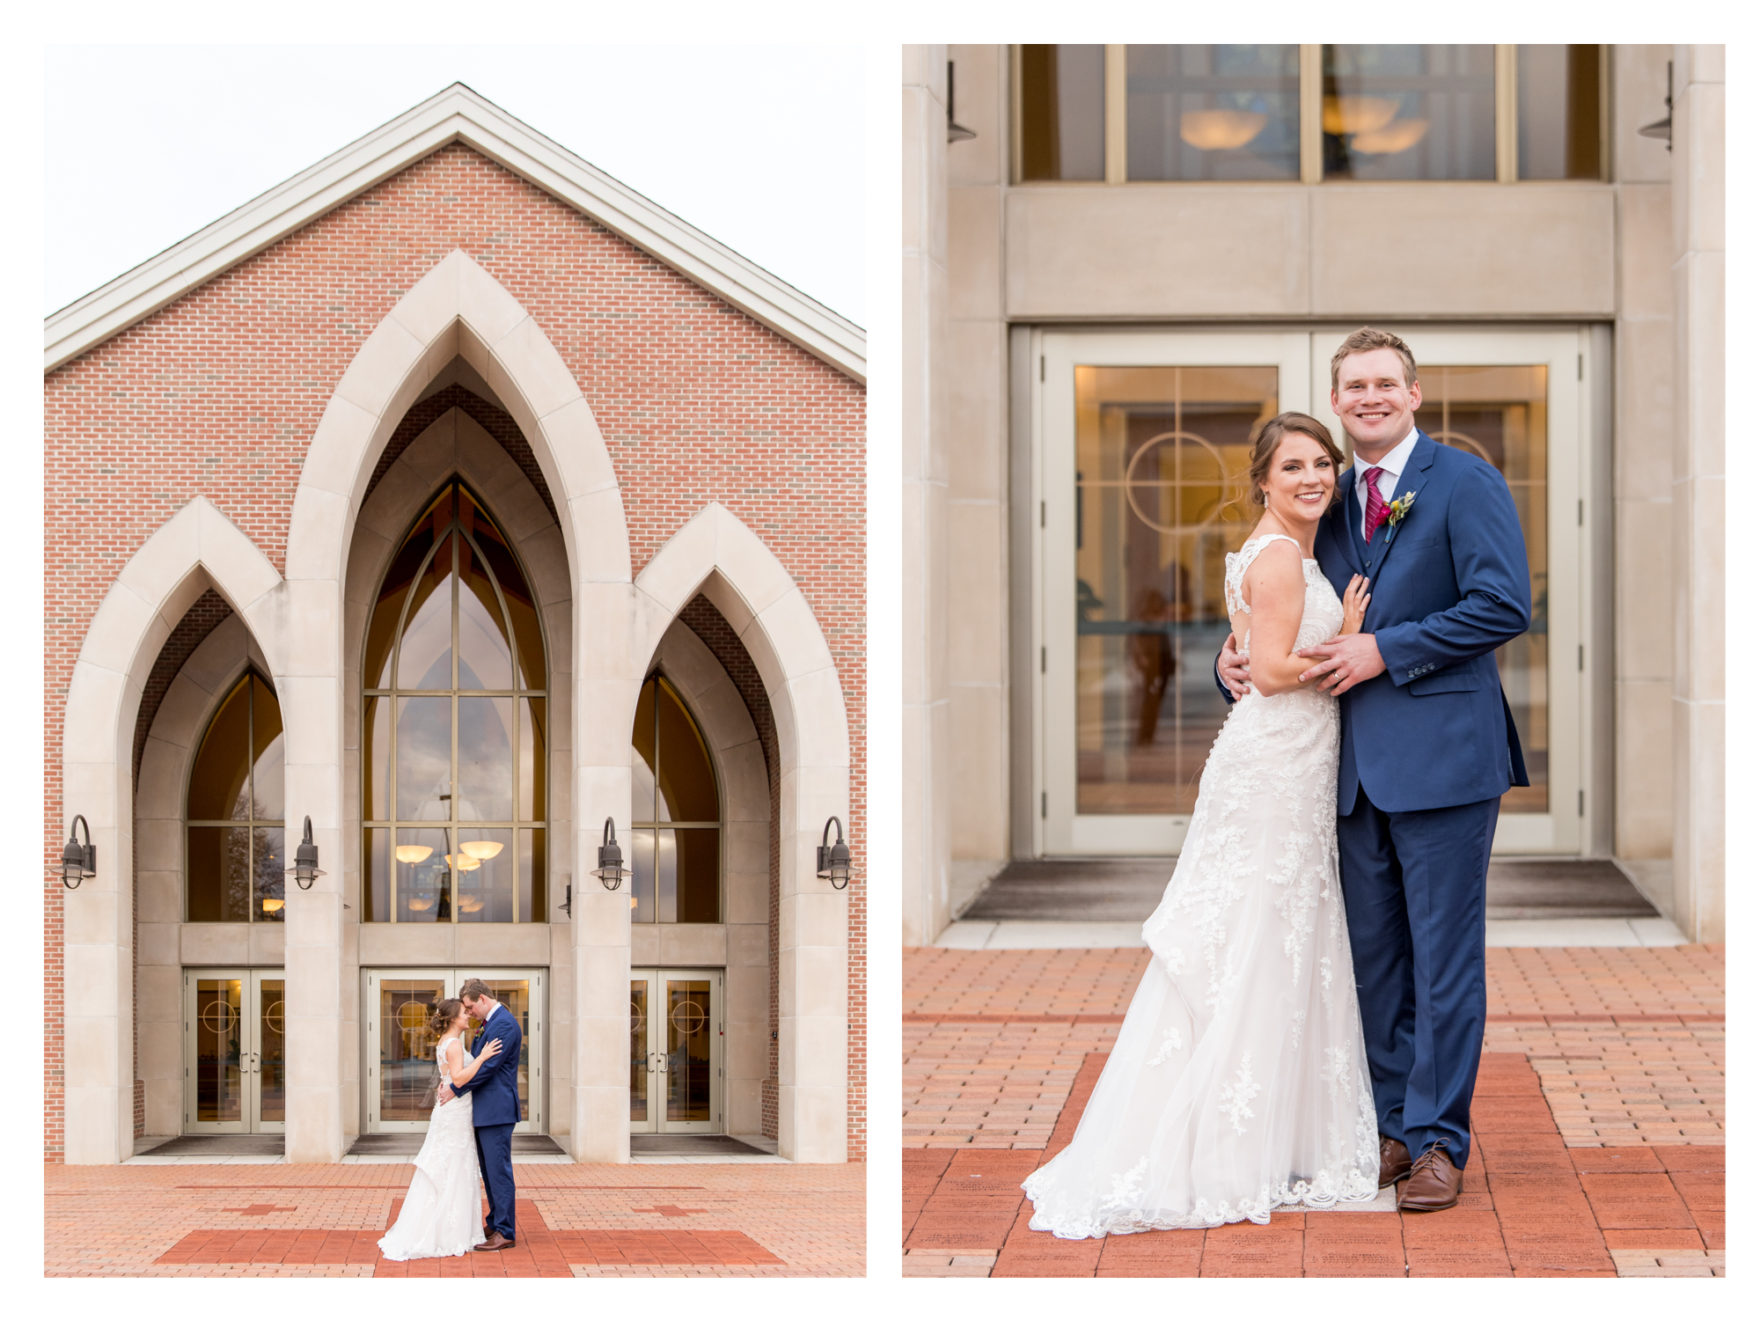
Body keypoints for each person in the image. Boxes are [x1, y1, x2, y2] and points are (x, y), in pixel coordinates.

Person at [1022, 412, 1381, 1237]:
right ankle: (1224, 1145)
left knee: (1264, 934)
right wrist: (1354, 638)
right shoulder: (1285, 555)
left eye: (1323, 465)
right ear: (1263, 479)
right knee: (1260, 935)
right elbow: (1272, 667)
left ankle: (1251, 1134)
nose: (1313, 478)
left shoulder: (1262, 549)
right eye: (1294, 466)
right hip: (1275, 767)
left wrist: (1260, 656)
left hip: (1276, 762)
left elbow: (1243, 648)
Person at [1217, 327, 1531, 1212]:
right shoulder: (1332, 495)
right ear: (1339, 394)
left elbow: (1503, 604)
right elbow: (1281, 607)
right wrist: (1230, 659)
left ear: (1414, 394)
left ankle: (1439, 1141)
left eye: (1384, 384)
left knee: (1443, 964)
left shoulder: (1463, 481)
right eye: (1353, 386)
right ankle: (1390, 1125)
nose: (1369, 398)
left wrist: (1386, 650)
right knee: (1376, 964)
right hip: (1345, 772)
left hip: (1443, 764)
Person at [376, 997, 504, 1260]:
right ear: (453, 1018)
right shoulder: (454, 1044)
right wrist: (482, 1058)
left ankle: (448, 1228)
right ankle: (449, 1233)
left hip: (452, 1111)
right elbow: (458, 1078)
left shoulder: (445, 1041)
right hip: (455, 1113)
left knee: (451, 1167)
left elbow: (447, 1078)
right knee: (454, 1167)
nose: (468, 1015)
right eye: (464, 1012)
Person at [435, 977, 524, 1249]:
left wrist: (455, 1088)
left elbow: (488, 1068)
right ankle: (496, 1222)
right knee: (489, 1171)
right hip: (484, 1110)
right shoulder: (492, 1023)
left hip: (497, 1110)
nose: (470, 1013)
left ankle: (505, 1231)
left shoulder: (505, 1025)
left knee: (498, 1172)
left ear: (483, 1000)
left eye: (471, 1007)